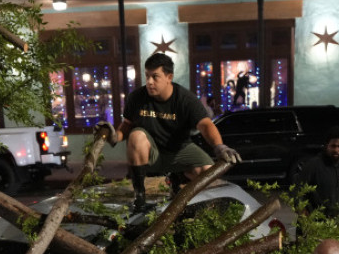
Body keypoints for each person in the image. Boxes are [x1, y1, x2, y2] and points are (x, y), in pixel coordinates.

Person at [96, 53, 240, 211]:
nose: (149, 82)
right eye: (147, 76)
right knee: (136, 135)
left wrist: (219, 146)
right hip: (152, 152)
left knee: (208, 172)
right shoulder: (136, 97)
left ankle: (178, 179)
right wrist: (115, 136)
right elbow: (127, 125)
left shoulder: (185, 99)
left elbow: (205, 125)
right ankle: (140, 196)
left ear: (169, 77)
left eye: (155, 76)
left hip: (179, 149)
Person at [297, 128, 339, 219]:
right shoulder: (313, 166)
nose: (336, 150)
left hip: (333, 224)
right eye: (333, 146)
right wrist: (302, 212)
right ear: (326, 146)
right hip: (312, 223)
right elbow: (298, 190)